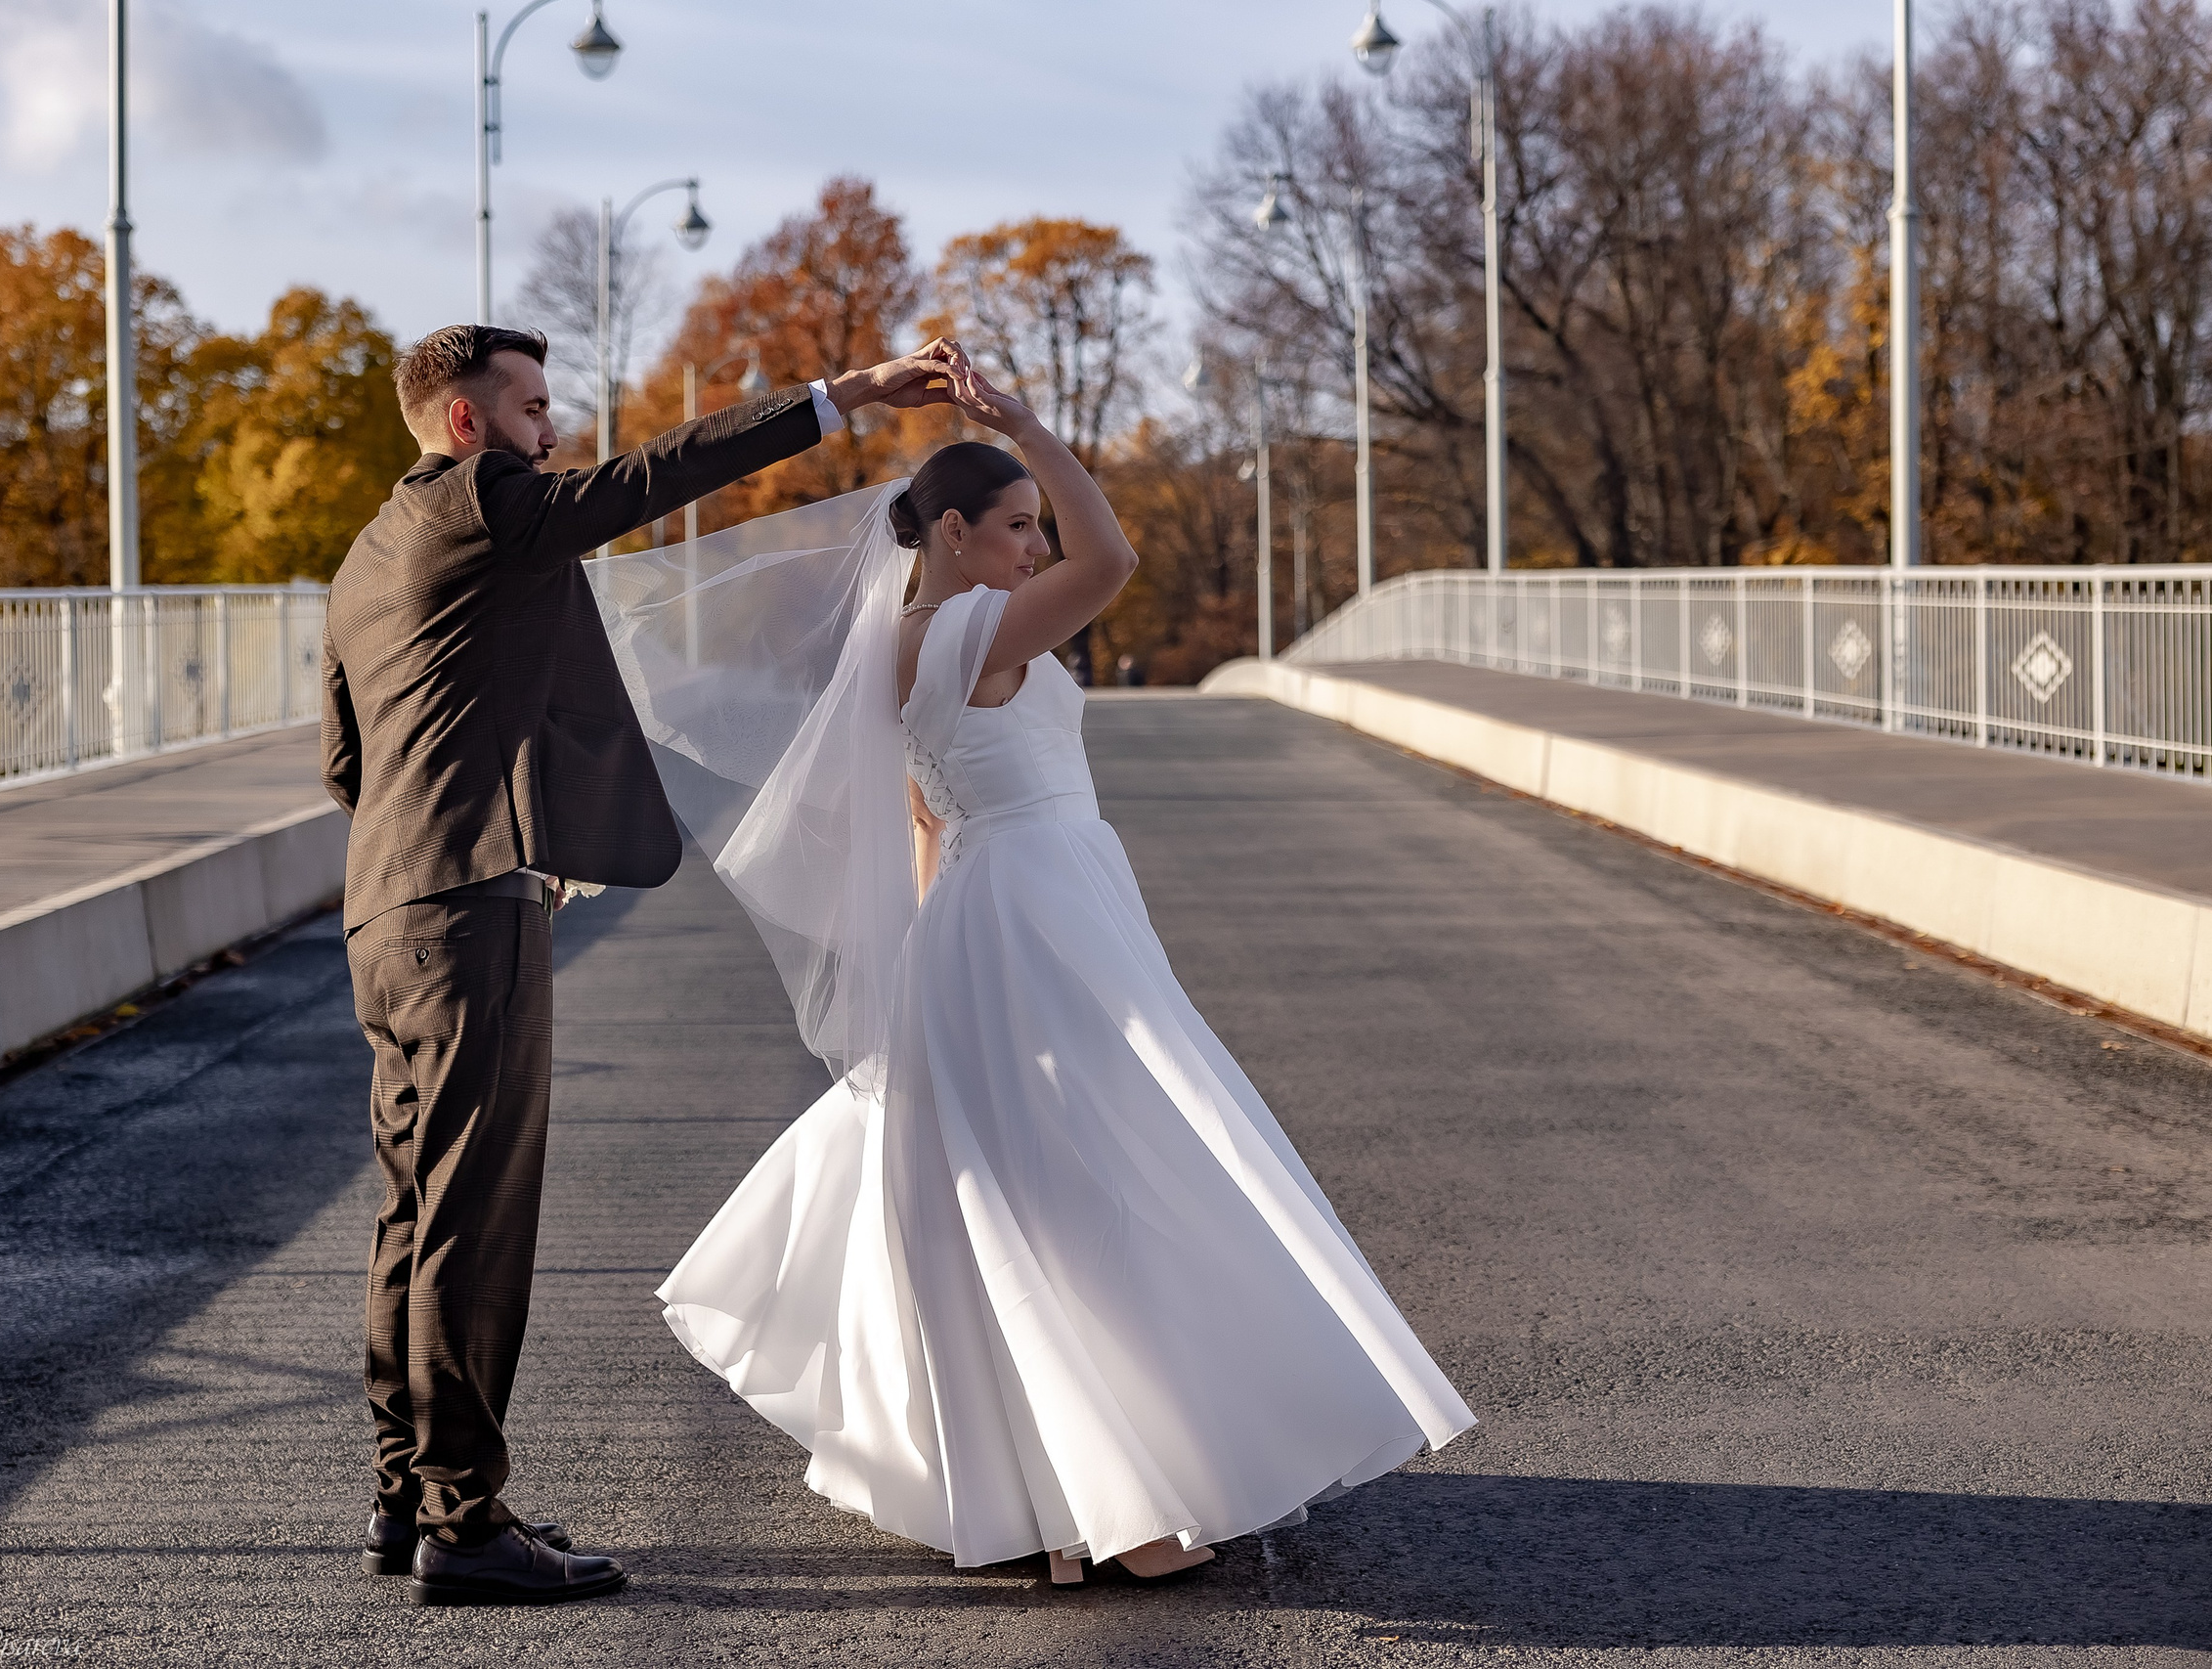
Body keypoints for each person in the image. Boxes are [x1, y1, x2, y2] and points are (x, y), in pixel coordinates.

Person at [624, 365, 1474, 1588]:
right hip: (1036, 909)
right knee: (1086, 1183)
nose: (1038, 548)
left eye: (1037, 525)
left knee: (1031, 1189)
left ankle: (1066, 1501)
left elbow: (924, 823)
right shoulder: (968, 630)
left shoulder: (898, 648)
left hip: (994, 914)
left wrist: (927, 964)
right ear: (952, 532)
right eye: (1018, 525)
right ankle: (1111, 1505)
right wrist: (1026, 428)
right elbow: (1112, 562)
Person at [320, 322, 963, 1606]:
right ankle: (465, 1521)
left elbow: (346, 761)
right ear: (466, 423)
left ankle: (409, 1494)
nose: (552, 430)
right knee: (474, 1219)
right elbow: (655, 475)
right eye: (532, 408)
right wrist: (844, 395)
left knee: (414, 1211)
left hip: (383, 910)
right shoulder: (486, 501)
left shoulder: (365, 554)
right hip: (468, 910)